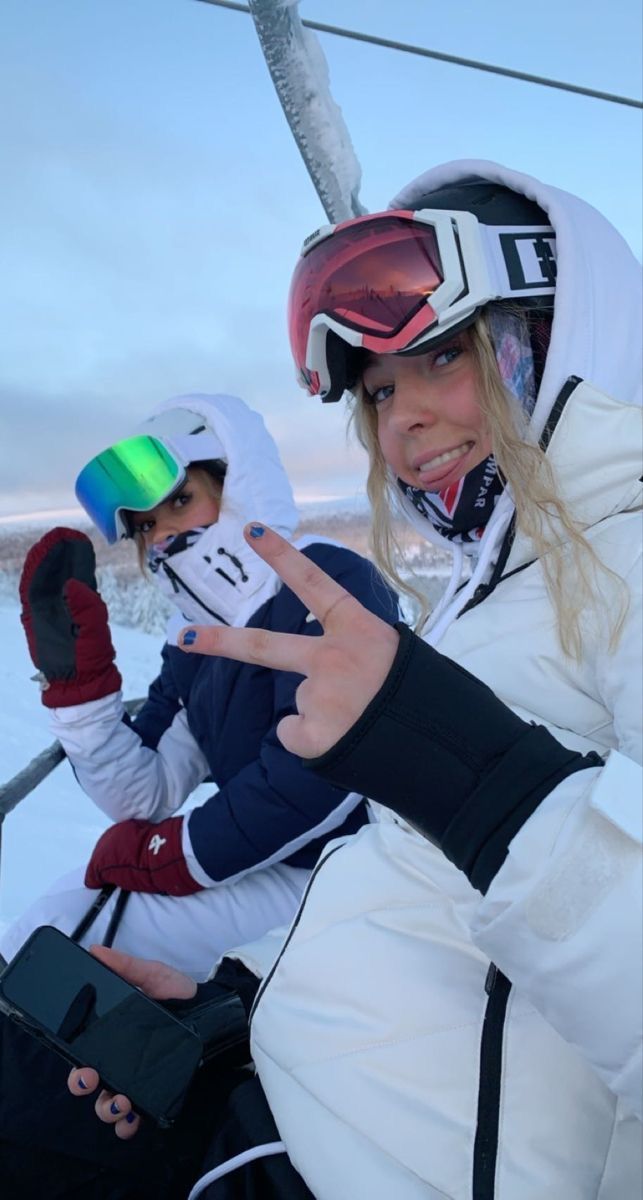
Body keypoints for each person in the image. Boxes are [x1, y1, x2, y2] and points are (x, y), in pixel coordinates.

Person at [9, 159, 643, 1200]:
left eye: (441, 355)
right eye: (379, 391)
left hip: (365, 1147)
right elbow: (171, 793)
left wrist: (182, 856)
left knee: (61, 960)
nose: (399, 420)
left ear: (555, 329)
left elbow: (330, 794)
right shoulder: (490, 591)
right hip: (290, 1054)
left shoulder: (338, 588)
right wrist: (81, 697)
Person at [1, 392, 399, 981]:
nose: (161, 538)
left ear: (237, 487)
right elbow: (147, 793)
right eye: (145, 527)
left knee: (82, 945)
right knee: (60, 920)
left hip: (373, 867)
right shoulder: (194, 641)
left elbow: (322, 775)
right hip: (279, 867)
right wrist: (80, 693)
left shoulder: (326, 580)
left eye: (180, 502)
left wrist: (172, 855)